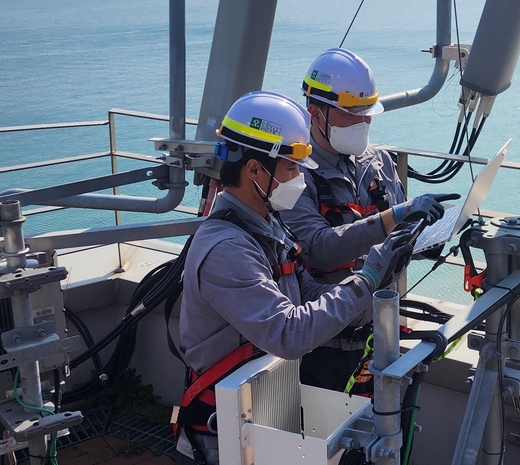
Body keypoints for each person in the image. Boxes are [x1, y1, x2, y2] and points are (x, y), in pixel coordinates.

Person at [174, 91, 414, 465]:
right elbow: (288, 333)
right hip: (223, 432)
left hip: (265, 401)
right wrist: (364, 281)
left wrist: (370, 298)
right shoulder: (227, 248)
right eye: (291, 168)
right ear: (254, 170)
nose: (299, 179)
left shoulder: (266, 225)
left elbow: (307, 290)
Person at [281, 48, 456, 394]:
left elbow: (401, 235)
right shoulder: (292, 173)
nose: (363, 122)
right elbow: (319, 249)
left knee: (380, 434)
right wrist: (396, 217)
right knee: (323, 437)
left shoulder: (379, 163)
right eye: (352, 113)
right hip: (322, 346)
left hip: (378, 336)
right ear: (315, 113)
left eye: (367, 112)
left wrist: (435, 231)